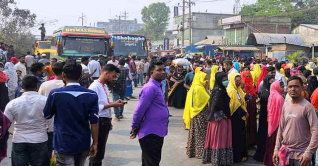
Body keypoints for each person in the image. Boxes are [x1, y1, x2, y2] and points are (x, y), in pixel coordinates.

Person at [43, 63, 99, 165]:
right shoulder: (91, 94)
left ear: (63, 75)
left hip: (63, 142)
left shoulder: (55, 94)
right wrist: (95, 143)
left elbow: (47, 114)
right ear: (80, 76)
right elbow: (94, 122)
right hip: (83, 142)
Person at [130, 60, 169, 166]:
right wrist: (134, 126)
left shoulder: (157, 86)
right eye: (159, 70)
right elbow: (140, 110)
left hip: (157, 130)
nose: (162, 72)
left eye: (163, 70)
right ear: (152, 72)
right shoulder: (150, 87)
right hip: (151, 132)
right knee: (151, 162)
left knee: (151, 161)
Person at [4, 75, 49, 165]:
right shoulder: (46, 101)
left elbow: (5, 123)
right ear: (37, 87)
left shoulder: (13, 103)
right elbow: (51, 121)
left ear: (22, 87)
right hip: (40, 139)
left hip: (19, 139)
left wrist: (12, 132)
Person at [273, 76, 318, 166]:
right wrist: (276, 149)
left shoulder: (307, 107)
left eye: (296, 86)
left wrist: (308, 153)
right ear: (287, 89)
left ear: (302, 87)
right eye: (290, 87)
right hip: (285, 154)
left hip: (302, 156)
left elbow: (315, 131)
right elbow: (281, 129)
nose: (293, 89)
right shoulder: (285, 105)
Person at [88, 64, 124, 166]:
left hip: (105, 121)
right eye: (113, 76)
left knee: (100, 152)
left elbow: (104, 104)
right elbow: (93, 108)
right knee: (97, 152)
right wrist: (112, 104)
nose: (114, 79)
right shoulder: (95, 87)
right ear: (106, 73)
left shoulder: (103, 86)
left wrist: (109, 119)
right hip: (99, 121)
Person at [202, 72, 233, 165]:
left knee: (218, 140)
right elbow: (215, 105)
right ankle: (218, 160)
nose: (225, 81)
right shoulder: (219, 91)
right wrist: (223, 115)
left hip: (218, 119)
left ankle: (216, 159)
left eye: (226, 79)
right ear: (219, 80)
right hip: (219, 119)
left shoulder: (219, 89)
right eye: (223, 80)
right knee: (220, 140)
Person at [38, 62, 65, 159]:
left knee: (47, 151)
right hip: (63, 123)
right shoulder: (66, 85)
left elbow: (40, 102)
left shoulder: (45, 85)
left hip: (47, 122)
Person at [183, 68, 210, 159]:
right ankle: (200, 153)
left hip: (196, 114)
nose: (206, 80)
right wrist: (207, 89)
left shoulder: (196, 86)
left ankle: (193, 151)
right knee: (201, 135)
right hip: (201, 115)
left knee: (195, 134)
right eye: (204, 78)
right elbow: (208, 99)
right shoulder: (199, 89)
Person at [227, 73, 248, 163]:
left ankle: (241, 154)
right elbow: (235, 105)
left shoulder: (238, 89)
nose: (238, 81)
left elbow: (241, 100)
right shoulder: (231, 90)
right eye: (236, 80)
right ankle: (237, 156)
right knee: (237, 137)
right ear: (232, 80)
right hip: (235, 117)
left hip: (240, 117)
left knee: (241, 136)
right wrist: (244, 113)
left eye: (239, 79)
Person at [263, 80, 285, 166]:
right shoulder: (279, 98)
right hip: (277, 124)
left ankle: (268, 161)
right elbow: (282, 113)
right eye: (282, 87)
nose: (283, 89)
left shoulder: (271, 95)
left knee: (270, 144)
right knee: (276, 144)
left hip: (271, 123)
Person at [253, 76, 275, 162]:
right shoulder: (266, 93)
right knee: (264, 135)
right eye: (271, 82)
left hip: (265, 117)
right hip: (265, 117)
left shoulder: (268, 91)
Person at [241, 71, 257, 147]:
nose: (248, 78)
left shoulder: (251, 84)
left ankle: (252, 140)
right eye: (246, 76)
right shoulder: (242, 85)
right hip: (247, 106)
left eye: (249, 76)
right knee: (247, 124)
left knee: (252, 122)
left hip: (252, 106)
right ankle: (247, 142)